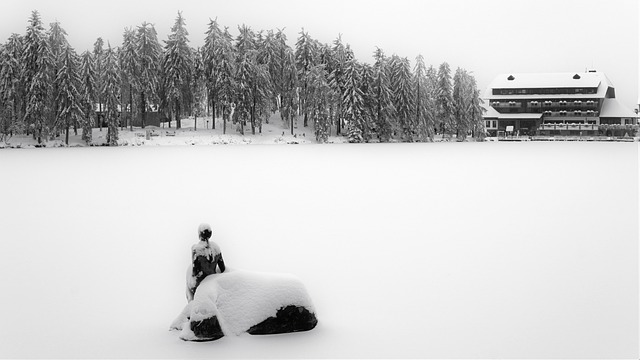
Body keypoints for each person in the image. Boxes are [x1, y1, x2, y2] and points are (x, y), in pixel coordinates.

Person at [186, 223, 226, 302]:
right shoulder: (216, 248)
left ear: (199, 234)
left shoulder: (196, 249)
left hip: (200, 284)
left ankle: (191, 303)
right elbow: (222, 268)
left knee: (188, 284)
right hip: (212, 280)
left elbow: (195, 272)